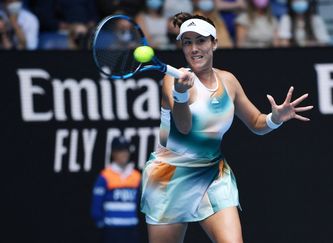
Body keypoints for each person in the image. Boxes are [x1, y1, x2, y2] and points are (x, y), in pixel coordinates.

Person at [139, 12, 313, 243]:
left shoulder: (228, 81)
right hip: (168, 176)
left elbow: (256, 123)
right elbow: (183, 127)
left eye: (200, 41)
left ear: (214, 43)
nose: (194, 49)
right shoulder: (173, 81)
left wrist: (275, 118)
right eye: (187, 43)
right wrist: (180, 94)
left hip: (212, 174)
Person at [91, 136, 142, 243]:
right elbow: (96, 205)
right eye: (120, 150)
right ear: (113, 153)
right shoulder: (105, 176)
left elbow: (139, 203)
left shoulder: (136, 176)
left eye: (126, 150)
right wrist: (101, 224)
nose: (124, 154)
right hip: (111, 231)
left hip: (131, 230)